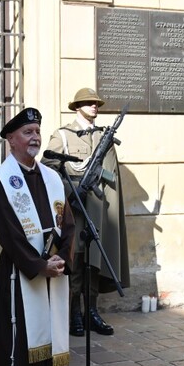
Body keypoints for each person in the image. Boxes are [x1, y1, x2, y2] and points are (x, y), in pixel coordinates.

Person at [0, 107, 76, 366]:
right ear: (11, 139)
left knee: (51, 330)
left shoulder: (52, 178)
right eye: (27, 132)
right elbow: (7, 231)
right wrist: (38, 265)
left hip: (53, 270)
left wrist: (63, 258)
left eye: (37, 131)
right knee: (23, 335)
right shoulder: (2, 182)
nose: (35, 137)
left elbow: (69, 224)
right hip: (20, 273)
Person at [43, 88, 130, 337]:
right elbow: (50, 166)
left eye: (96, 103)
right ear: (77, 106)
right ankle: (73, 315)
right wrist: (72, 192)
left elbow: (111, 174)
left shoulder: (103, 136)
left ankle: (91, 312)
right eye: (89, 103)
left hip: (98, 210)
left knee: (94, 263)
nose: (95, 106)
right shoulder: (63, 135)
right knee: (77, 263)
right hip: (74, 209)